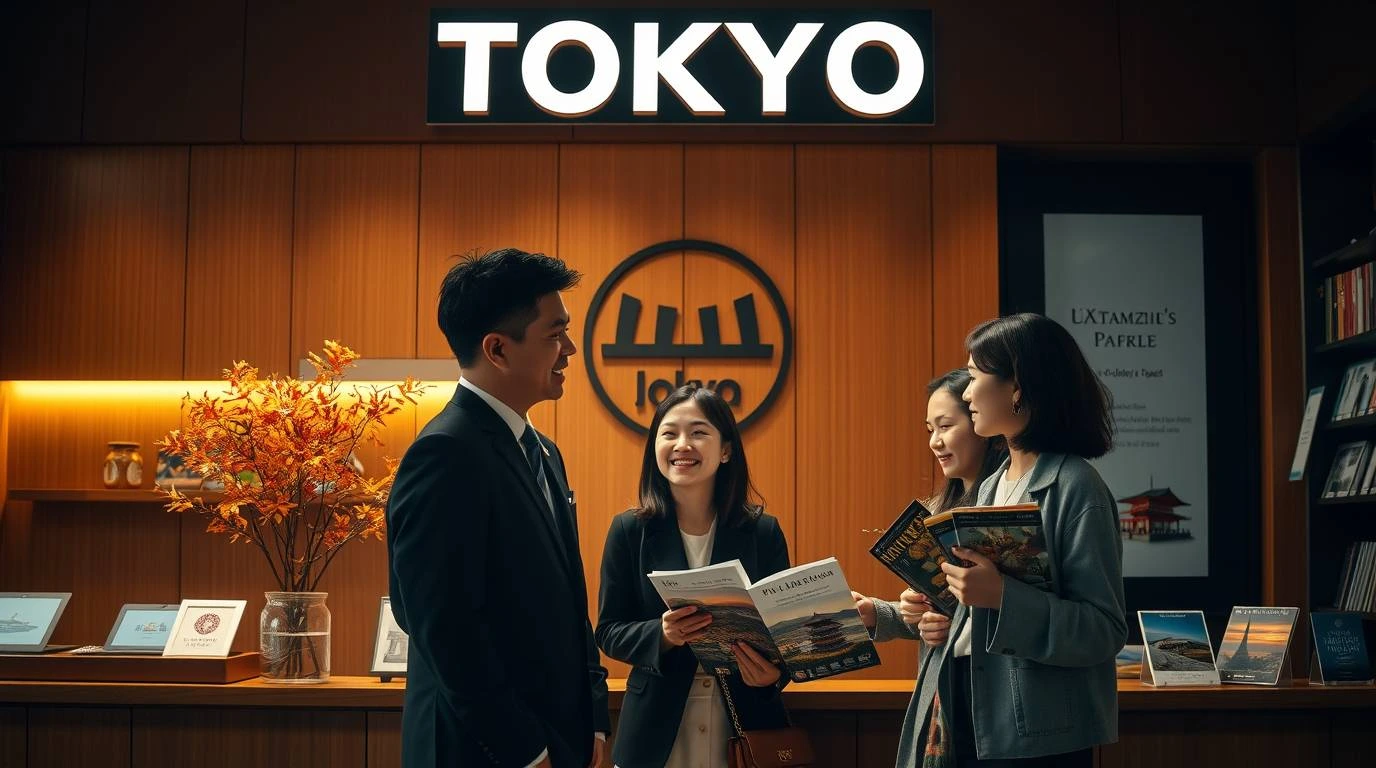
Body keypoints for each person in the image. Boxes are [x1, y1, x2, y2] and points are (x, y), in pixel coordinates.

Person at [870, 313, 1126, 768]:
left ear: (1018, 387)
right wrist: (938, 611)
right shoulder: (991, 487)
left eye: (974, 376)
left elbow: (1103, 630)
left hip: (1037, 733)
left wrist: (1003, 596)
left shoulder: (1077, 486)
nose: (967, 393)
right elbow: (978, 615)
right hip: (973, 707)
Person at [386, 248, 610, 768]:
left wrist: (594, 722)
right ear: (498, 349)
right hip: (486, 751)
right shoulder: (445, 453)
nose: (570, 349)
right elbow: (445, 628)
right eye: (555, 335)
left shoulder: (543, 451)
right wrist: (526, 751)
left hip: (562, 740)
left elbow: (569, 604)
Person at [596, 384, 791, 768]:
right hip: (655, 729)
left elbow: (784, 634)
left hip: (745, 722)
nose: (682, 444)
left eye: (699, 432)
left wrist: (773, 674)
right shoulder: (629, 531)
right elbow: (609, 631)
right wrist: (663, 634)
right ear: (655, 449)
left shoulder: (763, 531)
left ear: (726, 450)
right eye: (669, 434)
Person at [852, 369, 1007, 762]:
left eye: (946, 426)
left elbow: (988, 613)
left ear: (981, 423)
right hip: (943, 696)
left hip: (992, 700)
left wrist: (947, 621)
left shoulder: (1005, 508)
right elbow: (939, 612)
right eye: (929, 429)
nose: (935, 442)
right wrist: (887, 612)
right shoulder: (937, 511)